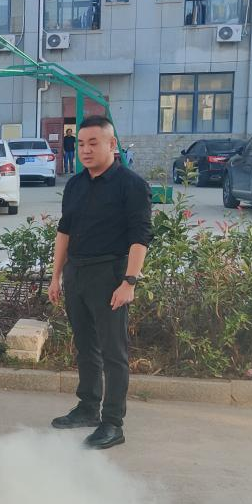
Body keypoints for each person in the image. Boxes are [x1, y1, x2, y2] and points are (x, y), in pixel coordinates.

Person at [48, 115, 152, 450]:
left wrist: (129, 282)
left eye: (93, 143)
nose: (85, 150)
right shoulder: (75, 185)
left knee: (113, 352)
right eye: (81, 144)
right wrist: (56, 276)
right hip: (76, 273)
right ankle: (88, 407)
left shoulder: (131, 185)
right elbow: (64, 231)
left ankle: (112, 423)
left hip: (110, 275)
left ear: (112, 144)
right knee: (85, 346)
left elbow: (140, 237)